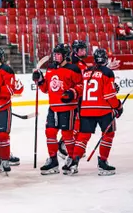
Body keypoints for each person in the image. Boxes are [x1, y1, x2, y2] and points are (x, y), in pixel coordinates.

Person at [68, 48, 123, 176]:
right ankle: (103, 162)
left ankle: (74, 162)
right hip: (103, 110)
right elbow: (109, 95)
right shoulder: (108, 72)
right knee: (108, 134)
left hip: (86, 109)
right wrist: (118, 106)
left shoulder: (87, 71)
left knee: (83, 137)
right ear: (105, 59)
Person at [32, 44, 83, 175]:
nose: (56, 56)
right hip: (53, 108)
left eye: (58, 54)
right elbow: (46, 89)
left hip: (68, 108)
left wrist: (72, 93)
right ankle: (53, 160)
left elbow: (81, 86)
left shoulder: (74, 69)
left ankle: (72, 159)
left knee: (67, 135)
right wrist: (40, 80)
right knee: (50, 132)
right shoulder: (50, 69)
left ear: (65, 55)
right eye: (55, 54)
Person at [57, 40, 88, 159]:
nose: (84, 51)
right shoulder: (74, 63)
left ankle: (66, 145)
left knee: (77, 123)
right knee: (76, 123)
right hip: (75, 98)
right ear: (75, 51)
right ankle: (63, 145)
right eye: (81, 49)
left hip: (77, 96)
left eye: (84, 49)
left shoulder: (79, 62)